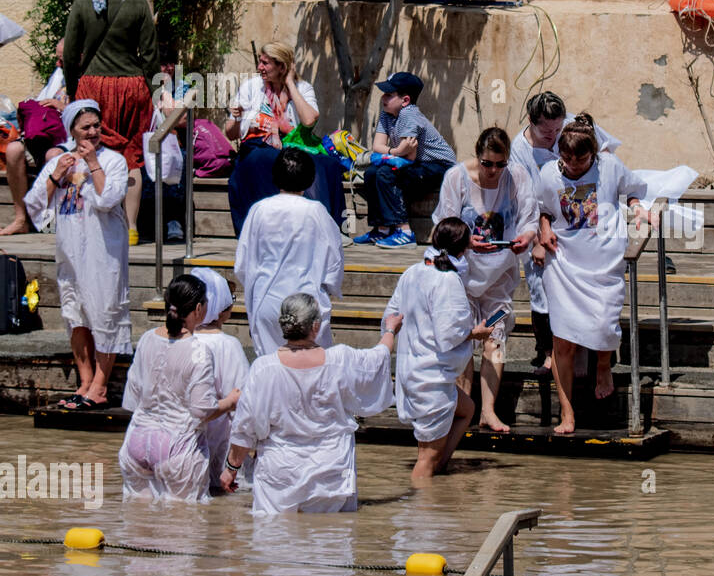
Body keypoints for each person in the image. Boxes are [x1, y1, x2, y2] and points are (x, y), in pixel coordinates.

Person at [220, 293, 398, 515]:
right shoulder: (341, 359)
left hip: (280, 474)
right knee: (330, 541)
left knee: (273, 544)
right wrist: (390, 330)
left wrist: (231, 468)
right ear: (316, 326)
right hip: (331, 472)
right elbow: (378, 357)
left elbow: (245, 427)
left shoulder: (263, 368)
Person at [533, 114, 648, 435]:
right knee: (563, 341)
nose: (571, 165)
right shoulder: (548, 173)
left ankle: (602, 367)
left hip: (604, 260)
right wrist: (543, 229)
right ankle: (567, 413)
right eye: (565, 158)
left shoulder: (610, 166)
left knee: (604, 324)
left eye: (580, 159)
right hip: (564, 262)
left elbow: (633, 188)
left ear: (593, 153)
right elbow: (542, 209)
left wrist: (638, 207)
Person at [24, 100, 133, 409]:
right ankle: (84, 383)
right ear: (72, 131)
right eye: (86, 127)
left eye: (97, 125)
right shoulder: (62, 161)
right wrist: (57, 173)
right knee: (76, 317)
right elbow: (35, 208)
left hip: (104, 253)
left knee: (105, 314)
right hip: (70, 252)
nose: (93, 131)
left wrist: (93, 163)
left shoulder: (113, 160)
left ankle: (100, 387)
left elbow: (107, 199)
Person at [433, 126, 539, 432]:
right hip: (461, 276)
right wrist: (466, 243)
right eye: (487, 163)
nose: (493, 170)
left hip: (498, 276)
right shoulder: (457, 177)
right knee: (464, 340)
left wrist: (526, 237)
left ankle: (488, 411)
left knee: (495, 339)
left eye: (499, 164)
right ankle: (463, 407)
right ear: (478, 156)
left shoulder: (516, 177)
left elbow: (529, 217)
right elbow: (445, 224)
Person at [510, 91, 621, 372]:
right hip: (543, 226)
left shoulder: (575, 126)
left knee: (589, 288)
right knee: (542, 289)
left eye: (558, 129)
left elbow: (604, 152)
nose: (554, 136)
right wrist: (536, 239)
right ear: (531, 122)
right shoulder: (519, 150)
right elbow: (526, 200)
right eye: (546, 131)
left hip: (585, 224)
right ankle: (548, 351)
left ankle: (593, 350)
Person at [63, 0, 160, 245]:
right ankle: (131, 227)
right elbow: (151, 55)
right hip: (132, 88)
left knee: (88, 150)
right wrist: (155, 93)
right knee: (131, 157)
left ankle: (86, 221)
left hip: (92, 88)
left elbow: (69, 54)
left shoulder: (82, 3)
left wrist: (71, 90)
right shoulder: (138, 4)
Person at [384, 218, 494, 480]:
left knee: (466, 409)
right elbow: (449, 335)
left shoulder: (412, 272)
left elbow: (391, 314)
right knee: (425, 457)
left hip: (412, 368)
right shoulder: (447, 280)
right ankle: (422, 510)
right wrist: (475, 333)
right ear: (463, 249)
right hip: (429, 376)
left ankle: (438, 469)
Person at [119, 275, 239, 502]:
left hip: (136, 442)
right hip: (177, 449)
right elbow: (203, 411)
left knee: (137, 526)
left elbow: (131, 399)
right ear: (198, 309)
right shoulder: (198, 352)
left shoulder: (146, 339)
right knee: (182, 529)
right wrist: (231, 401)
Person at [225, 41, 345, 235]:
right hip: (257, 146)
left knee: (327, 164)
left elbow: (309, 120)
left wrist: (290, 84)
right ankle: (276, 228)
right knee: (268, 159)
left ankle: (329, 227)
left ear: (282, 66)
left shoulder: (302, 87)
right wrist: (238, 117)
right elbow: (230, 133)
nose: (259, 68)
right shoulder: (251, 87)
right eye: (260, 62)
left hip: (293, 146)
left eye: (265, 63)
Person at [234, 147, 345, 357]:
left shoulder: (259, 209)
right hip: (306, 302)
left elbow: (243, 262)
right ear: (311, 179)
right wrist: (329, 287)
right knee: (311, 369)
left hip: (266, 299)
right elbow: (334, 261)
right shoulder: (316, 211)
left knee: (271, 367)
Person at [353, 71, 456, 248]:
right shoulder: (386, 113)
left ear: (405, 100)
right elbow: (378, 146)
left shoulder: (409, 115)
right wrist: (397, 150)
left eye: (389, 94)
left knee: (387, 173)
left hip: (438, 165)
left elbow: (410, 156)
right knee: (371, 173)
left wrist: (398, 152)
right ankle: (382, 229)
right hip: (412, 162)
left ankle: (404, 231)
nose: (383, 98)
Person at [191, 267, 251, 491]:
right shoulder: (228, 345)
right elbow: (242, 402)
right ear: (223, 310)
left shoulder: (175, 340)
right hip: (218, 436)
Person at [2, 38, 68, 235]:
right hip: (43, 136)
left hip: (67, 139)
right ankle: (21, 219)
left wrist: (64, 107)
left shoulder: (89, 77)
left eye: (61, 59)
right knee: (13, 150)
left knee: (54, 156)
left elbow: (92, 114)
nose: (57, 64)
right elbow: (41, 102)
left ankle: (50, 218)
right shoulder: (58, 74)